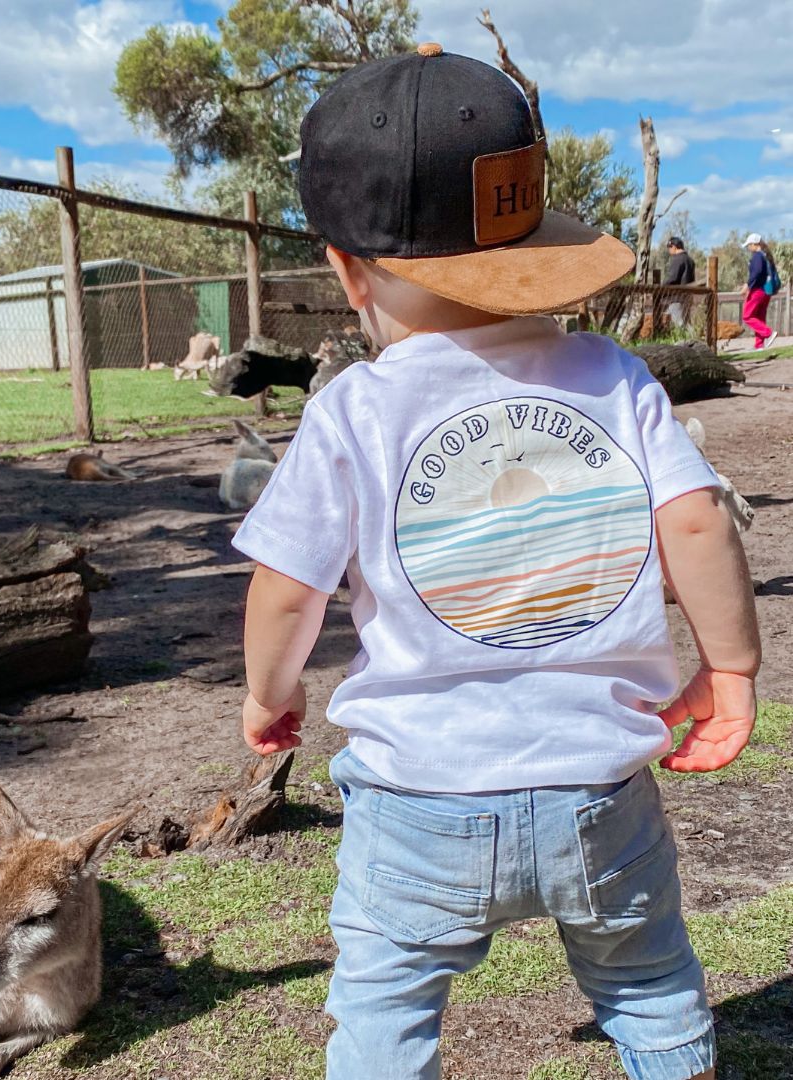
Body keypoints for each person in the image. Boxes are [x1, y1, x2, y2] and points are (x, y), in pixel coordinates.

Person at [233, 45, 760, 1080]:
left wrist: (269, 693)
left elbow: (288, 587)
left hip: (417, 798)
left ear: (346, 269)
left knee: (384, 1003)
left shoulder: (354, 409)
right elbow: (698, 521)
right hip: (600, 787)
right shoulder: (612, 376)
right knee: (650, 984)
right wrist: (731, 667)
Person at [741, 232, 779, 349]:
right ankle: (759, 345)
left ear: (755, 244)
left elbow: (756, 272)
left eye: (749, 245)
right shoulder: (766, 256)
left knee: (747, 316)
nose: (748, 248)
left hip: (758, 290)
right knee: (759, 317)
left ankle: (768, 333)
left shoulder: (757, 256)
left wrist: (747, 285)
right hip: (766, 291)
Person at [662, 236, 695, 328]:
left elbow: (672, 278)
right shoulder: (690, 260)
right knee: (686, 322)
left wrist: (660, 288)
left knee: (679, 324)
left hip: (676, 297)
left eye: (669, 248)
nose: (669, 251)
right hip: (687, 297)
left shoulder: (677, 259)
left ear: (674, 247)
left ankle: (689, 337)